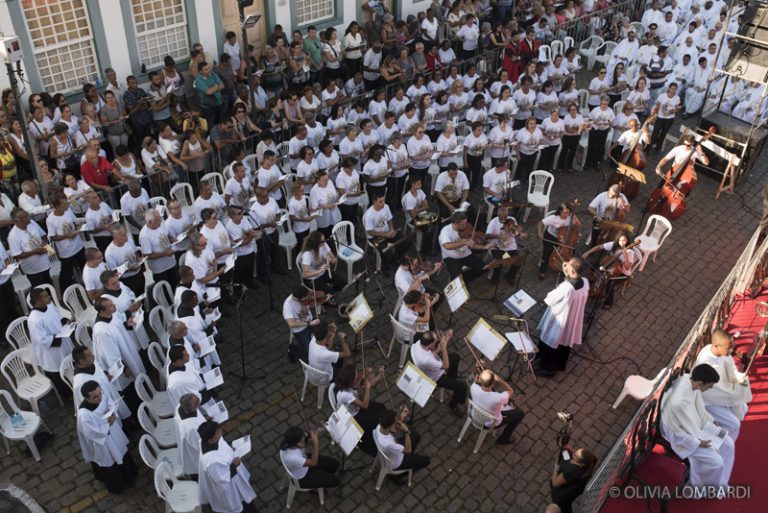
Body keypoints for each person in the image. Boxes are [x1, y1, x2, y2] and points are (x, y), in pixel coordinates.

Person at [660, 364, 736, 494]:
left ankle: (720, 483)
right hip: (683, 438)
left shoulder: (690, 381)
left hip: (695, 427)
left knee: (729, 444)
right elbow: (676, 432)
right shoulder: (678, 402)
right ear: (701, 382)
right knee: (716, 462)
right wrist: (698, 442)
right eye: (710, 384)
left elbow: (699, 409)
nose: (711, 387)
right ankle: (698, 488)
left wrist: (711, 421)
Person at [76, 381, 138, 493]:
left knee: (122, 452)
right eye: (95, 397)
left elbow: (109, 402)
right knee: (112, 462)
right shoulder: (84, 415)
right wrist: (108, 423)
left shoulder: (101, 396)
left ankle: (130, 474)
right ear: (86, 398)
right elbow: (92, 433)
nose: (99, 398)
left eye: (100, 393)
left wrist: (111, 410)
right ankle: (119, 486)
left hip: (114, 433)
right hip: (104, 442)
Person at [693, 329, 752, 441]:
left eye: (731, 348)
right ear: (716, 346)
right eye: (728, 348)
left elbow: (730, 369)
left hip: (722, 394)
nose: (731, 351)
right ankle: (722, 444)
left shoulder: (721, 351)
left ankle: (719, 434)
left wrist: (739, 378)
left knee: (743, 407)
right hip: (708, 401)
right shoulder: (705, 362)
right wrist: (733, 393)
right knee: (734, 424)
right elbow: (708, 390)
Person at [535, 257, 589, 376]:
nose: (566, 266)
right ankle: (557, 364)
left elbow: (549, 299)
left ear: (573, 272)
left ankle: (547, 368)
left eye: (568, 266)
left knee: (552, 339)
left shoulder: (566, 288)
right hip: (573, 317)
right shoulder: (585, 281)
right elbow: (571, 284)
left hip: (560, 319)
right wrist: (567, 274)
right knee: (563, 342)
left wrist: (564, 279)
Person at [197, 421, 258, 513]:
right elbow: (221, 479)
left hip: (235, 478)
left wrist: (229, 449)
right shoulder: (211, 462)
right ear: (210, 440)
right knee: (244, 506)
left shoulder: (212, 440)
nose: (220, 432)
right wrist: (234, 464)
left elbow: (221, 445)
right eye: (217, 432)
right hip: (231, 488)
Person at [28, 287, 74, 397]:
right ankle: (67, 395)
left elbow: (57, 315)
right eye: (45, 296)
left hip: (63, 339)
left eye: (47, 295)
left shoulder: (49, 304)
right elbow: (42, 340)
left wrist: (64, 321)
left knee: (70, 363)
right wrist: (60, 337)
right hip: (51, 352)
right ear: (38, 301)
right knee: (58, 372)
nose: (49, 297)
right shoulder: (34, 320)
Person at [333, 364, 387, 456]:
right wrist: (368, 388)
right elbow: (364, 405)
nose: (359, 376)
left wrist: (379, 376)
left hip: (357, 408)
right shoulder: (345, 394)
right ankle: (374, 443)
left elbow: (368, 384)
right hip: (352, 417)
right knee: (374, 421)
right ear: (350, 381)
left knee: (381, 408)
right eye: (356, 375)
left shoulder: (351, 383)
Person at [412, 329, 467, 416]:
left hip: (433, 364)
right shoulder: (426, 360)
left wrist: (445, 337)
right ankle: (453, 404)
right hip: (435, 377)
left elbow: (433, 352)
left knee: (455, 357)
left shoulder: (419, 340)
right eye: (435, 340)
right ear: (430, 344)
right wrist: (444, 348)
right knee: (462, 387)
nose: (437, 340)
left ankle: (452, 378)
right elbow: (446, 366)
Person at [91, 296, 145, 384]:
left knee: (138, 376)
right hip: (122, 365)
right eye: (111, 305)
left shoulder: (111, 314)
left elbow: (116, 328)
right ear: (102, 311)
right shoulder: (101, 331)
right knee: (132, 384)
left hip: (128, 352)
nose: (114, 305)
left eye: (112, 303)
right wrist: (124, 369)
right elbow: (109, 354)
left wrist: (126, 324)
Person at [72, 346, 132, 421]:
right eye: (90, 356)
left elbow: (98, 370)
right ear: (81, 361)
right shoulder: (80, 382)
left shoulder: (90, 363)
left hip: (110, 393)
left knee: (120, 413)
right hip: (103, 410)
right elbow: (86, 403)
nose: (93, 356)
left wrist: (105, 374)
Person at [582, 231, 637, 307]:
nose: (622, 242)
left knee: (609, 282)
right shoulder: (614, 245)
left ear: (627, 241)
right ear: (617, 240)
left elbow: (628, 267)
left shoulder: (629, 252)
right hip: (609, 267)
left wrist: (625, 256)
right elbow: (599, 247)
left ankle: (608, 302)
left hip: (622, 273)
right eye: (620, 240)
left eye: (624, 240)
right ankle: (590, 283)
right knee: (595, 264)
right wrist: (587, 253)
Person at [470, 369, 526, 445]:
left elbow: (476, 379)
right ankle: (504, 438)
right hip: (489, 423)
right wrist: (499, 380)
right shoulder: (498, 398)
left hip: (474, 414)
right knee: (520, 413)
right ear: (493, 383)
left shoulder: (473, 387)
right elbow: (510, 391)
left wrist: (478, 369)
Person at [373, 408, 430, 478]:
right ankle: (396, 477)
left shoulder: (380, 426)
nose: (397, 422)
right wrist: (406, 431)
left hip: (391, 451)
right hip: (397, 462)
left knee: (416, 436)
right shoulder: (389, 444)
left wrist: (401, 417)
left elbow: (393, 428)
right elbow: (407, 451)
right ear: (390, 426)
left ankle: (410, 460)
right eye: (395, 421)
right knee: (426, 460)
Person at [46, 193, 85, 291]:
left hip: (78, 246)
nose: (67, 205)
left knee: (84, 266)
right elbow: (53, 237)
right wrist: (66, 235)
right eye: (64, 204)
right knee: (66, 273)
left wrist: (77, 228)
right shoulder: (50, 220)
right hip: (66, 251)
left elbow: (76, 223)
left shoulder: (68, 211)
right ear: (57, 206)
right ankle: (65, 292)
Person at [439, 211, 490, 281]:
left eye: (466, 223)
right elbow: (447, 246)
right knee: (457, 279)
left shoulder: (466, 229)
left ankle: (464, 279)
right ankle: (460, 281)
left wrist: (484, 247)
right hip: (451, 258)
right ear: (455, 224)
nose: (465, 226)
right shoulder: (445, 231)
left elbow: (472, 244)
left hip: (466, 254)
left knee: (484, 268)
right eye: (463, 224)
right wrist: (464, 242)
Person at [8, 208, 52, 287]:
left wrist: (45, 244)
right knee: (39, 289)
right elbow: (16, 255)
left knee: (49, 285)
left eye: (27, 215)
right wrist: (35, 252)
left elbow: (43, 235)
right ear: (17, 221)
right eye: (25, 217)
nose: (29, 218)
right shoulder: (13, 236)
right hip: (33, 270)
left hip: (45, 263)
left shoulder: (32, 223)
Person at [538, 203, 581, 279]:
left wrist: (576, 223)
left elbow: (575, 227)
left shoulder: (571, 216)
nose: (566, 214)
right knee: (546, 253)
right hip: (551, 236)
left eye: (568, 212)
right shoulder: (553, 218)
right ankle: (542, 270)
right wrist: (540, 233)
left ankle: (566, 269)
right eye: (564, 212)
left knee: (572, 253)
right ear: (560, 211)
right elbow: (540, 223)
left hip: (565, 238)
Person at [550, 445, 597, 513]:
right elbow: (579, 456)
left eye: (575, 456)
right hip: (570, 494)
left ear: (581, 463)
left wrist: (556, 466)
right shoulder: (586, 465)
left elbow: (555, 483)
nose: (573, 454)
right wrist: (572, 450)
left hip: (561, 498)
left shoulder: (571, 471)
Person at [485, 206, 524, 285]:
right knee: (499, 259)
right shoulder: (493, 222)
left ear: (507, 215)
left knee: (518, 259)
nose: (503, 219)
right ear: (498, 215)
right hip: (497, 247)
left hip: (510, 247)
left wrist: (517, 232)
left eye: (505, 217)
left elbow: (516, 230)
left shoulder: (511, 220)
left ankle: (510, 276)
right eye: (501, 217)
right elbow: (487, 236)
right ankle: (495, 276)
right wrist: (498, 236)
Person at [300, 230, 345, 295]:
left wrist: (330, 260)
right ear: (316, 244)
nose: (325, 242)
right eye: (323, 241)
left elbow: (334, 259)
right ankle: (328, 296)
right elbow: (305, 274)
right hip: (312, 278)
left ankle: (331, 293)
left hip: (323, 272)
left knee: (342, 282)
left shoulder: (324, 245)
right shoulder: (307, 254)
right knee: (331, 293)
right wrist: (320, 270)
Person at [283, 286, 320, 363]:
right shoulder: (288, 306)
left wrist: (324, 299)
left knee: (323, 334)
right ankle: (294, 352)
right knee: (309, 350)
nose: (307, 297)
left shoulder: (303, 295)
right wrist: (309, 323)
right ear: (298, 298)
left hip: (310, 320)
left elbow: (309, 305)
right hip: (301, 330)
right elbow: (291, 324)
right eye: (305, 297)